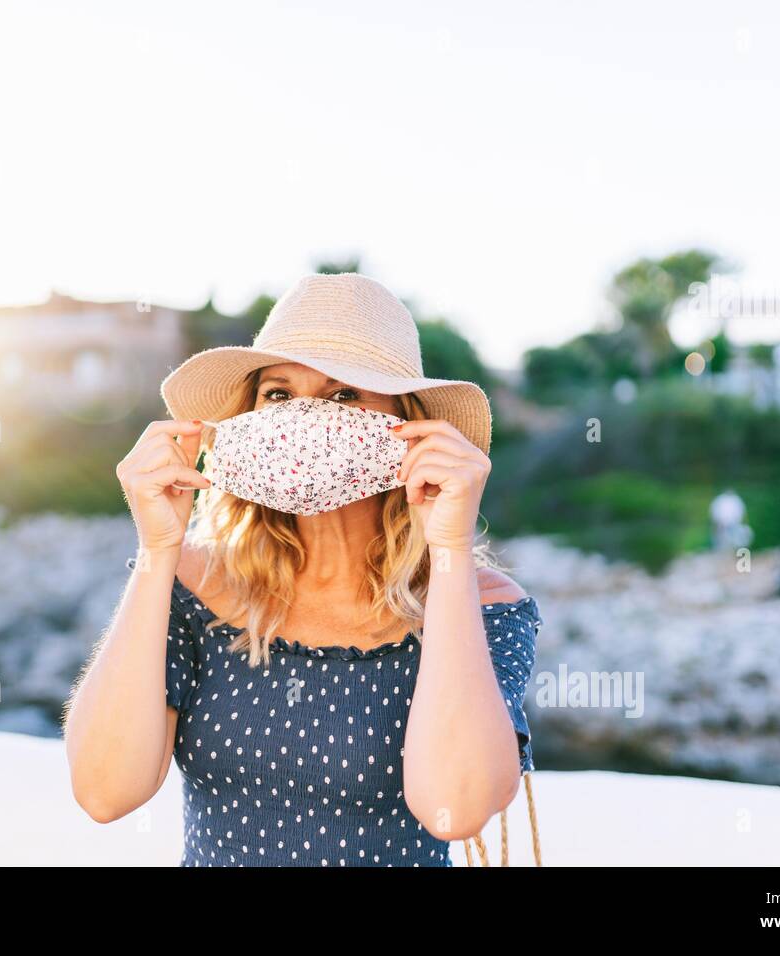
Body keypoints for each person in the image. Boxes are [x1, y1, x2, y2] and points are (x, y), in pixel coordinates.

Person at [62, 272, 540, 867]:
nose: (306, 419)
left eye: (344, 396)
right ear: (246, 420)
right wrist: (157, 551)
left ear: (409, 424)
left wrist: (448, 549)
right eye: (279, 396)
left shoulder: (484, 602)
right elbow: (105, 792)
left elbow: (457, 804)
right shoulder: (191, 584)